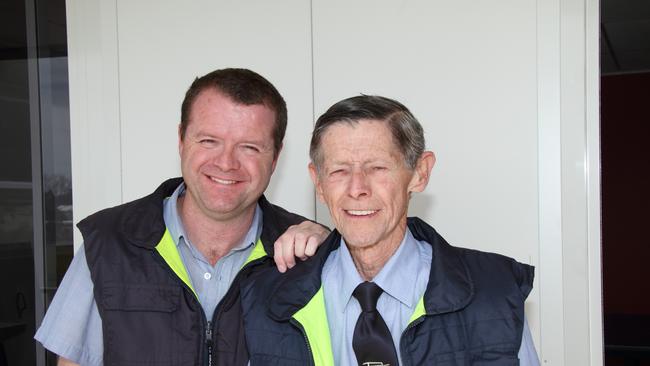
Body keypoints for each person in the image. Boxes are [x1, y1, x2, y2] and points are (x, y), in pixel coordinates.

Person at [34, 68, 329, 366]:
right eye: (209, 141)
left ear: (275, 157)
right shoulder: (107, 244)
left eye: (249, 147)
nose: (226, 163)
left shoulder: (311, 257)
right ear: (181, 140)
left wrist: (338, 246)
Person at [239, 95, 540, 365]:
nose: (357, 189)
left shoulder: (493, 294)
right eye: (340, 170)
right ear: (318, 183)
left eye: (378, 168)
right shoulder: (269, 299)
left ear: (419, 174)